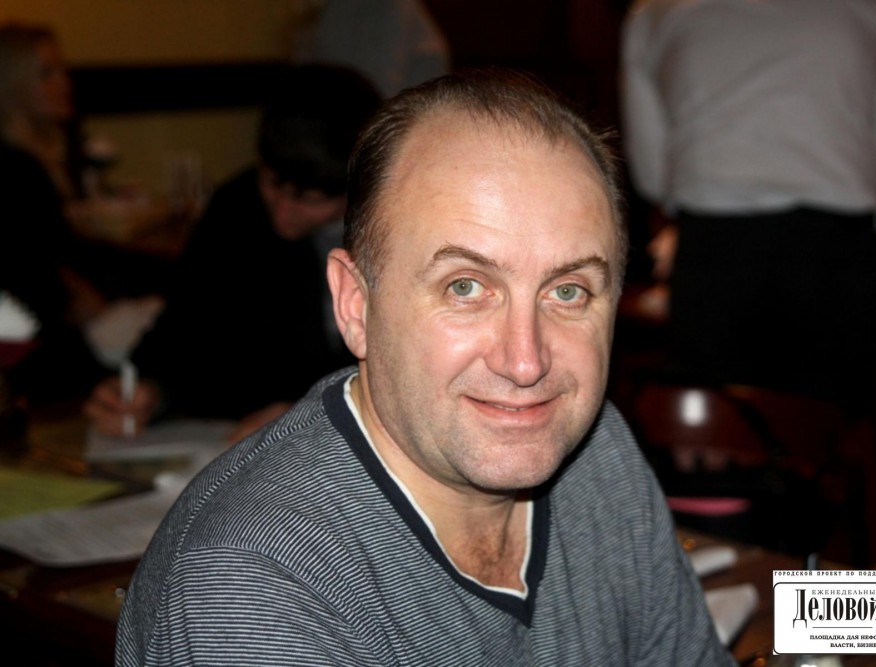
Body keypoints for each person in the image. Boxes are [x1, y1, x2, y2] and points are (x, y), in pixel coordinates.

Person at [115, 70, 733, 666]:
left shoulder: (599, 455)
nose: (526, 362)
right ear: (355, 305)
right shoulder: (252, 587)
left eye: (568, 292)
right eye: (465, 286)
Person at [621, 0, 876, 408]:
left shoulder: (654, 10)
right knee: (839, 431)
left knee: (720, 432)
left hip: (715, 252)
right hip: (834, 250)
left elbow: (653, 174)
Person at [84, 65, 381, 442]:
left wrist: (315, 411)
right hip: (228, 437)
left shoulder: (386, 230)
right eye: (272, 184)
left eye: (309, 200)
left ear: (357, 188)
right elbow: (183, 329)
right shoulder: (236, 209)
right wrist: (148, 392)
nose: (282, 212)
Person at [0, 22, 109, 402]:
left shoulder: (47, 153)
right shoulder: (17, 170)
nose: (64, 83)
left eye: (62, 70)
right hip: (34, 351)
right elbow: (35, 278)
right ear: (13, 87)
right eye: (46, 74)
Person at [293, 0, 450, 97]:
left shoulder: (386, 6)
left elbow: (382, 84)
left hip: (396, 122)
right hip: (350, 120)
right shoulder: (332, 8)